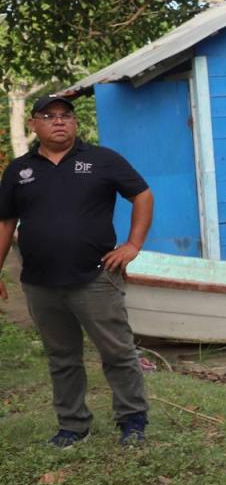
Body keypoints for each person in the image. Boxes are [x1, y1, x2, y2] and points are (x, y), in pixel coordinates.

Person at [0, 94, 154, 448]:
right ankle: (73, 425)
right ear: (34, 124)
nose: (58, 121)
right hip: (40, 283)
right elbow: (6, 222)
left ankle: (132, 420)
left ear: (74, 123)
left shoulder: (103, 160)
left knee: (117, 352)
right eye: (48, 115)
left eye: (65, 116)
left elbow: (142, 195)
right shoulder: (19, 171)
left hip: (96, 277)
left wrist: (132, 245)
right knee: (62, 357)